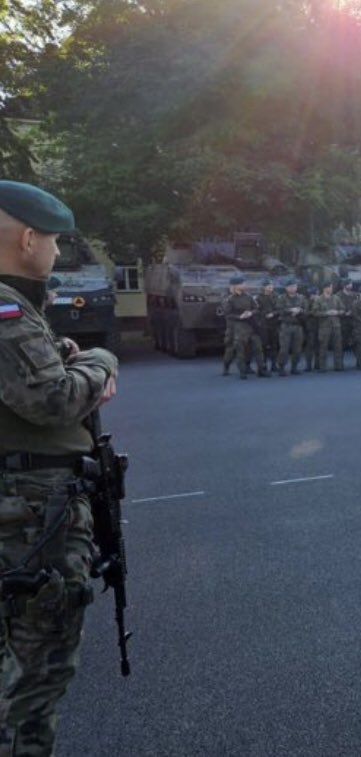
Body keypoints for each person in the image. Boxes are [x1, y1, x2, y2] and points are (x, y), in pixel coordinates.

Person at [0, 181, 118, 754]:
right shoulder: (5, 310)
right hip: (29, 515)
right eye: (52, 240)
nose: (54, 252)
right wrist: (100, 362)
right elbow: (52, 402)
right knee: (36, 677)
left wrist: (63, 352)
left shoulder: (19, 309)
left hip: (23, 506)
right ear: (27, 239)